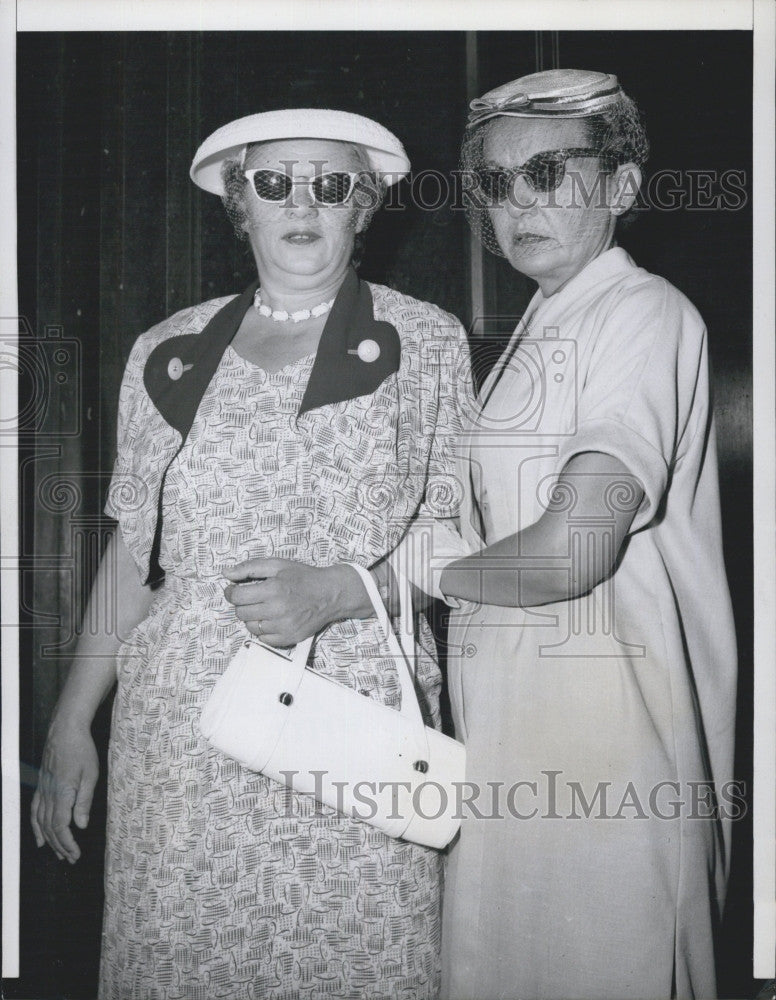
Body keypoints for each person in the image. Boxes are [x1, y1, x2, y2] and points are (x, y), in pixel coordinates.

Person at [31, 107, 472, 999]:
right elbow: (134, 550)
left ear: (365, 203)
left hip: (351, 728)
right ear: (241, 204)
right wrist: (73, 719)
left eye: (330, 183)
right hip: (182, 735)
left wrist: (345, 591)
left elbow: (459, 534)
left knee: (358, 959)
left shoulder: (425, 341)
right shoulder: (168, 351)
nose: (301, 202)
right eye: (273, 182)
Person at [434, 69, 738, 1000]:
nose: (516, 201)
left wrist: (409, 575)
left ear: (622, 186)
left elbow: (576, 547)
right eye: (495, 182)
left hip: (611, 737)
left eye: (548, 172)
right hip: (514, 735)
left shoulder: (641, 313)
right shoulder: (541, 325)